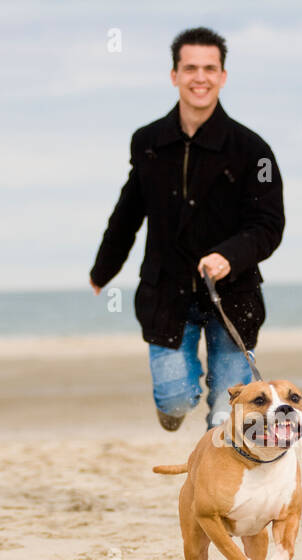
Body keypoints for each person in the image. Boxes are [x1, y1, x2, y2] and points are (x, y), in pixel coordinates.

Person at [89, 26, 285, 431]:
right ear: (174, 74)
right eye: (190, 67)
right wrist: (102, 269)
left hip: (232, 296)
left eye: (210, 68)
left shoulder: (253, 150)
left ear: (223, 76)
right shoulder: (148, 142)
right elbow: (128, 211)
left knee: (228, 416)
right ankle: (175, 405)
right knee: (175, 399)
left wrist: (229, 255)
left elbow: (269, 224)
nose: (201, 77)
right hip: (166, 292)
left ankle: (220, 484)